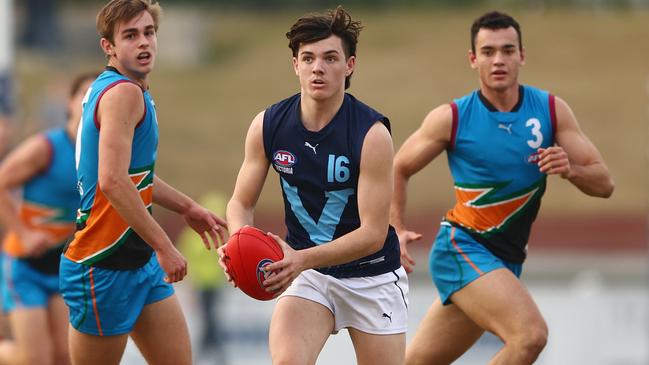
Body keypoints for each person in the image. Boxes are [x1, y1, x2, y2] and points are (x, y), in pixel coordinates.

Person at [391, 11, 614, 365]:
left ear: (521, 56)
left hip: (505, 260)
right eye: (489, 51)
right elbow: (398, 167)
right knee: (530, 337)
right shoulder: (452, 117)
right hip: (461, 249)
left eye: (508, 50)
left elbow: (605, 184)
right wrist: (396, 229)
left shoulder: (551, 111)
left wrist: (570, 170)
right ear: (473, 58)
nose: (498, 60)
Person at [218, 6, 408, 365]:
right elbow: (239, 203)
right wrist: (238, 243)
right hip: (310, 276)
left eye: (330, 58)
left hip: (372, 275)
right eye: (308, 58)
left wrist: (298, 260)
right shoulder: (268, 125)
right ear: (295, 65)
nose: (318, 67)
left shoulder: (372, 134)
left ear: (349, 65)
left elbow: (372, 233)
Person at [59, 1, 227, 365]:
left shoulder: (130, 90)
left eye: (149, 33)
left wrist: (187, 207)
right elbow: (113, 182)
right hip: (102, 264)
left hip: (138, 263)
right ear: (109, 47)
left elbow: (136, 177)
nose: (144, 42)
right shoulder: (123, 93)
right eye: (130, 35)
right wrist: (165, 246)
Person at [0, 72, 96, 365]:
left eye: (98, 96)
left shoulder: (101, 154)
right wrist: (24, 233)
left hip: (63, 268)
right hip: (25, 266)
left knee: (64, 357)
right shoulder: (46, 147)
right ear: (70, 102)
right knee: (33, 358)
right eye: (85, 94)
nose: (91, 102)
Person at [178, 192, 228, 364]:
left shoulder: (191, 235)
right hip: (204, 285)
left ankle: (203, 355)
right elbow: (187, 262)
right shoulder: (219, 236)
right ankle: (214, 355)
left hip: (213, 285)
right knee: (209, 320)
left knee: (210, 319)